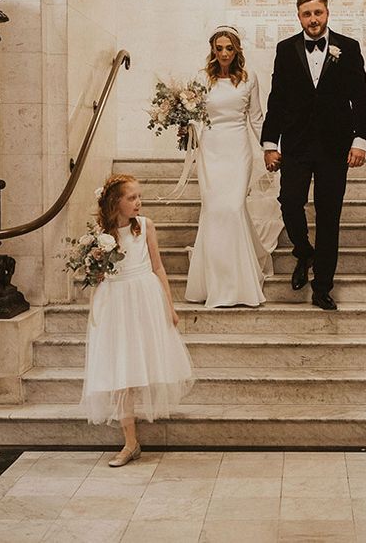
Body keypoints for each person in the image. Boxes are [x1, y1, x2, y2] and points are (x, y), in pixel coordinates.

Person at [261, 0, 366, 311]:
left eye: (318, 13)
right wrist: (270, 144)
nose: (313, 19)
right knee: (290, 202)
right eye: (307, 14)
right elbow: (277, 99)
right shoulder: (285, 49)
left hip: (335, 148)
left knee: (329, 216)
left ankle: (322, 286)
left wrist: (360, 140)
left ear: (327, 13)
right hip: (295, 145)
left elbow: (361, 98)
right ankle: (303, 251)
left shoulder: (348, 48)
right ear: (299, 17)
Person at [80, 174, 194, 467]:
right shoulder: (99, 234)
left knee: (140, 364)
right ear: (115, 202)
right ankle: (130, 442)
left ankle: (132, 441)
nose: (138, 202)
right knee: (121, 372)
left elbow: (158, 267)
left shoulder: (145, 226)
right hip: (116, 301)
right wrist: (96, 272)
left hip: (143, 298)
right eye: (131, 198)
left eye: (138, 196)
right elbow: (94, 275)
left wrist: (170, 307)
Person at [185, 26, 277, 308]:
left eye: (229, 48)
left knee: (234, 207)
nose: (224, 53)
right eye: (219, 48)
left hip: (238, 148)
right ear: (213, 49)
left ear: (237, 50)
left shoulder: (249, 79)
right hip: (210, 148)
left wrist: (269, 149)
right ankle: (214, 283)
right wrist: (188, 130)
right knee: (214, 210)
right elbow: (194, 114)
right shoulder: (201, 78)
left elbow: (257, 118)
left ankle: (240, 283)